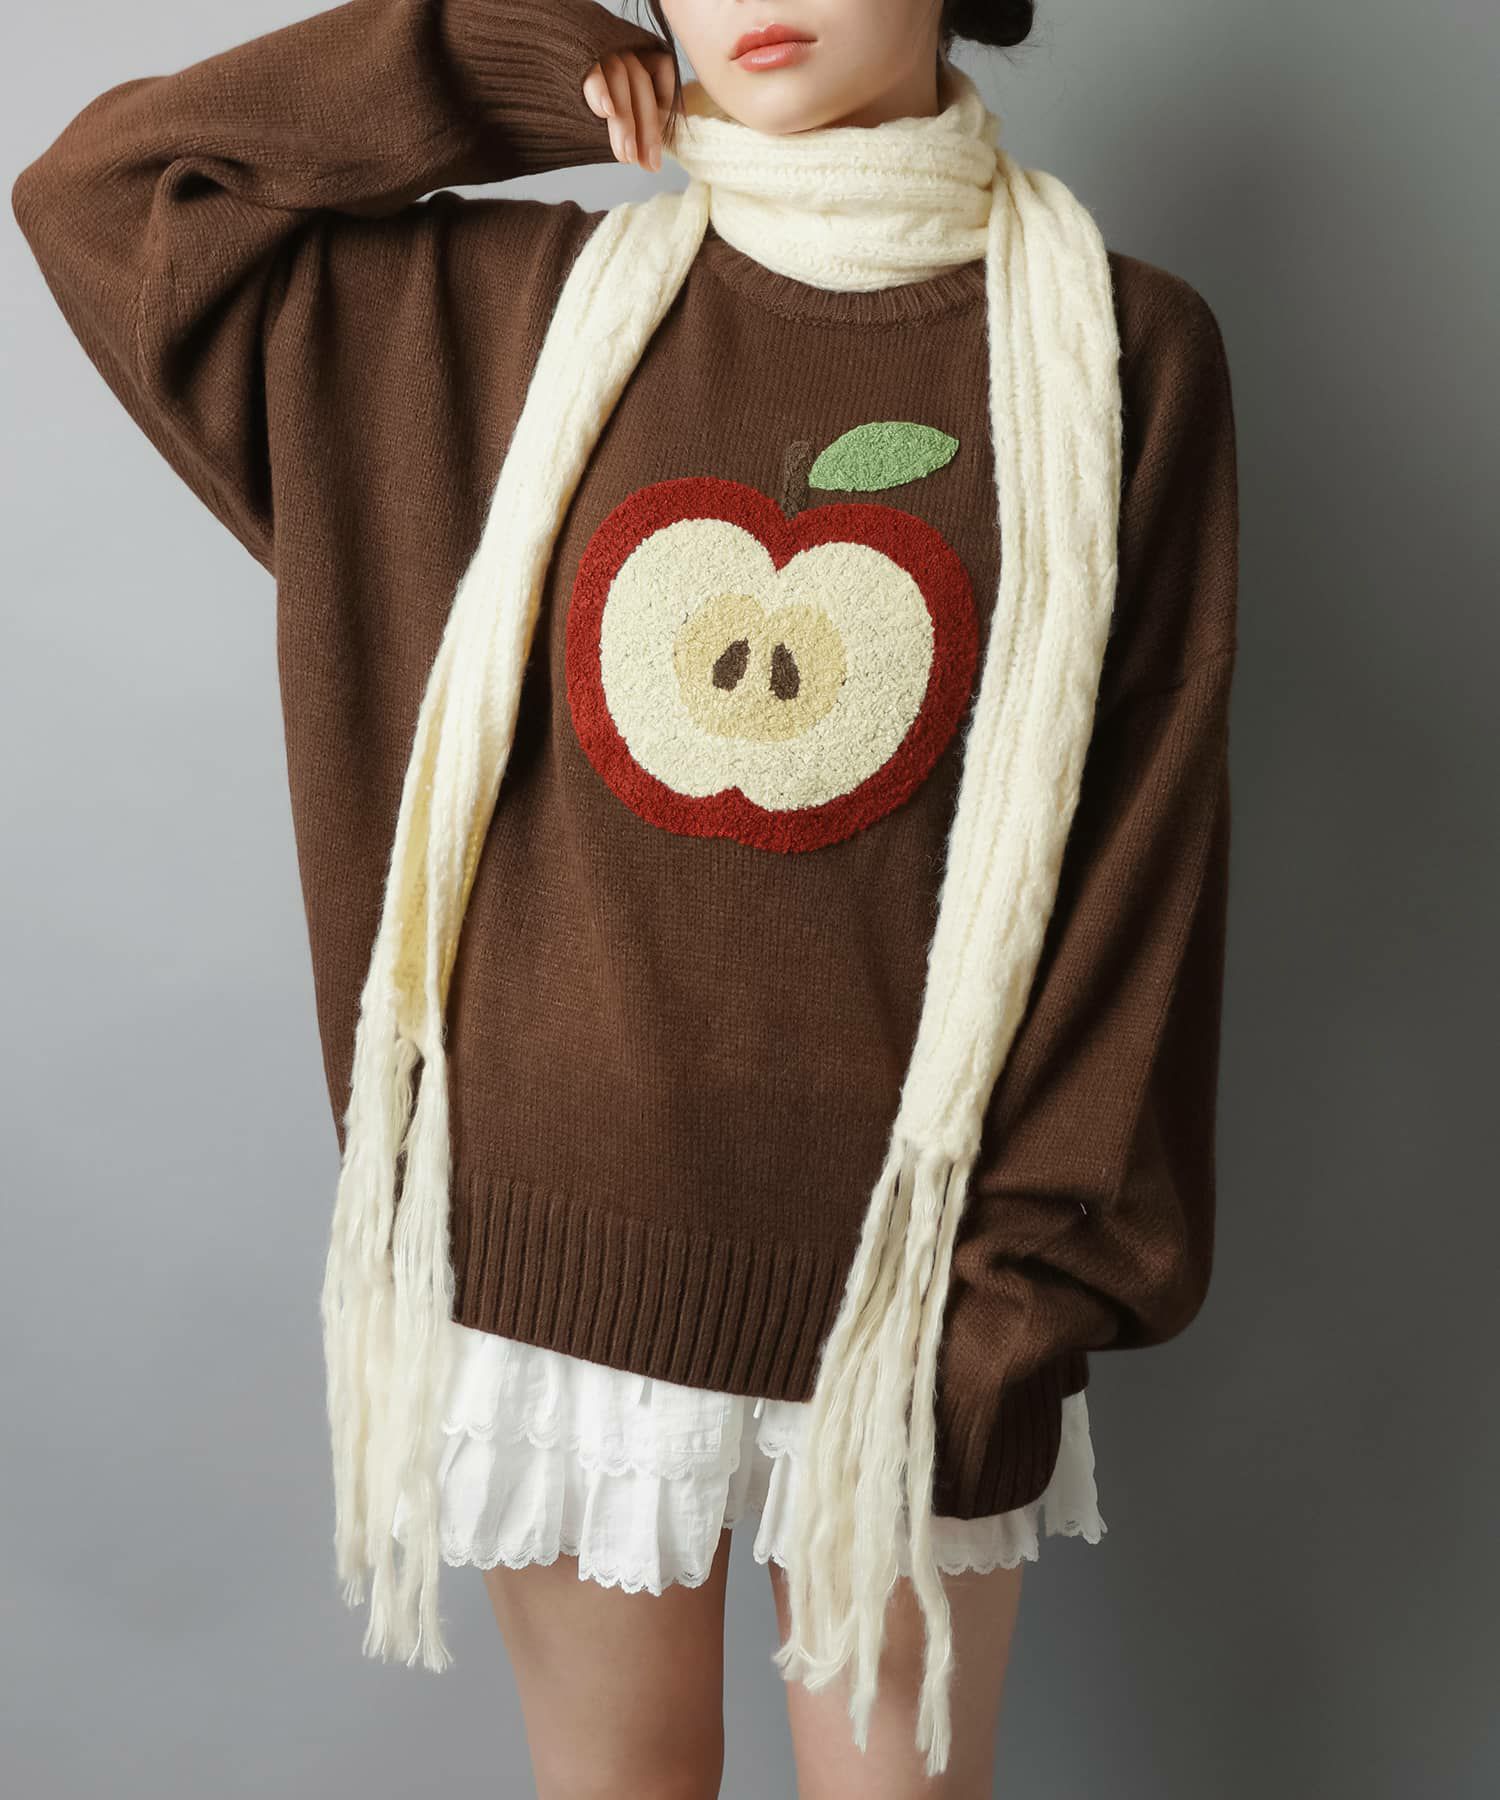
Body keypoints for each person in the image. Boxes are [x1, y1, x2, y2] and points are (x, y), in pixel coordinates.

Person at [11, 1, 1238, 1794]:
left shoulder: (1119, 350)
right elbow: (105, 195)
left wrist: (1017, 1308)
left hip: (919, 1294)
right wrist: (491, 70)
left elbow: (1139, 869)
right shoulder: (502, 314)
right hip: (561, 1261)